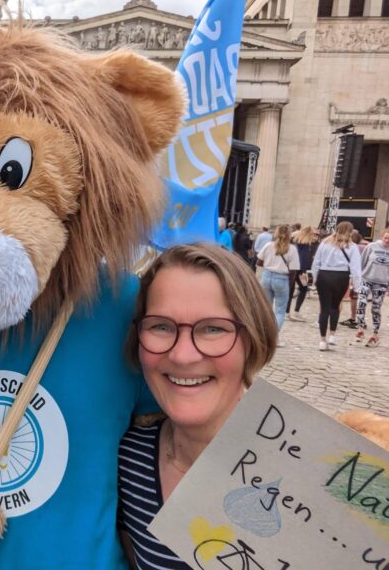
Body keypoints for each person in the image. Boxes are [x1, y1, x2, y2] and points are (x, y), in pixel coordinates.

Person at [118, 243, 277, 570]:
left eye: (213, 328)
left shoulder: (312, 468)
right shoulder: (129, 461)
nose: (182, 355)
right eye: (160, 326)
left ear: (252, 339)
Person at [311, 221, 362, 351]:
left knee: (324, 307)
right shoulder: (352, 246)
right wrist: (357, 287)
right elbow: (356, 268)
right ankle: (332, 334)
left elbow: (316, 261)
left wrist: (315, 278)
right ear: (350, 232)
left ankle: (322, 339)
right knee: (335, 306)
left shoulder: (325, 243)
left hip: (324, 274)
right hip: (341, 276)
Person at [256, 224, 299, 345]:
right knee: (280, 310)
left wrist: (269, 263)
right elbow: (293, 270)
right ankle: (273, 337)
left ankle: (263, 334)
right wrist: (290, 284)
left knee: (266, 308)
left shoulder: (269, 246)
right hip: (282, 278)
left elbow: (259, 261)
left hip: (267, 276)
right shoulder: (292, 249)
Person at [355, 228, 389, 347]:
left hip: (381, 282)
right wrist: (356, 278)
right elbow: (361, 262)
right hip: (366, 279)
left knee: (376, 308)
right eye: (386, 238)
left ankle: (375, 334)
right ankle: (360, 328)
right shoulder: (372, 247)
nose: (387, 241)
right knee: (361, 302)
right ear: (382, 237)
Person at [287, 225, 318, 320]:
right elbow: (307, 258)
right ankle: (296, 311)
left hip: (294, 267)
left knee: (291, 289)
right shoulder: (311, 243)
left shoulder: (296, 241)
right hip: (306, 269)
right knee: (304, 289)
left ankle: (287, 311)